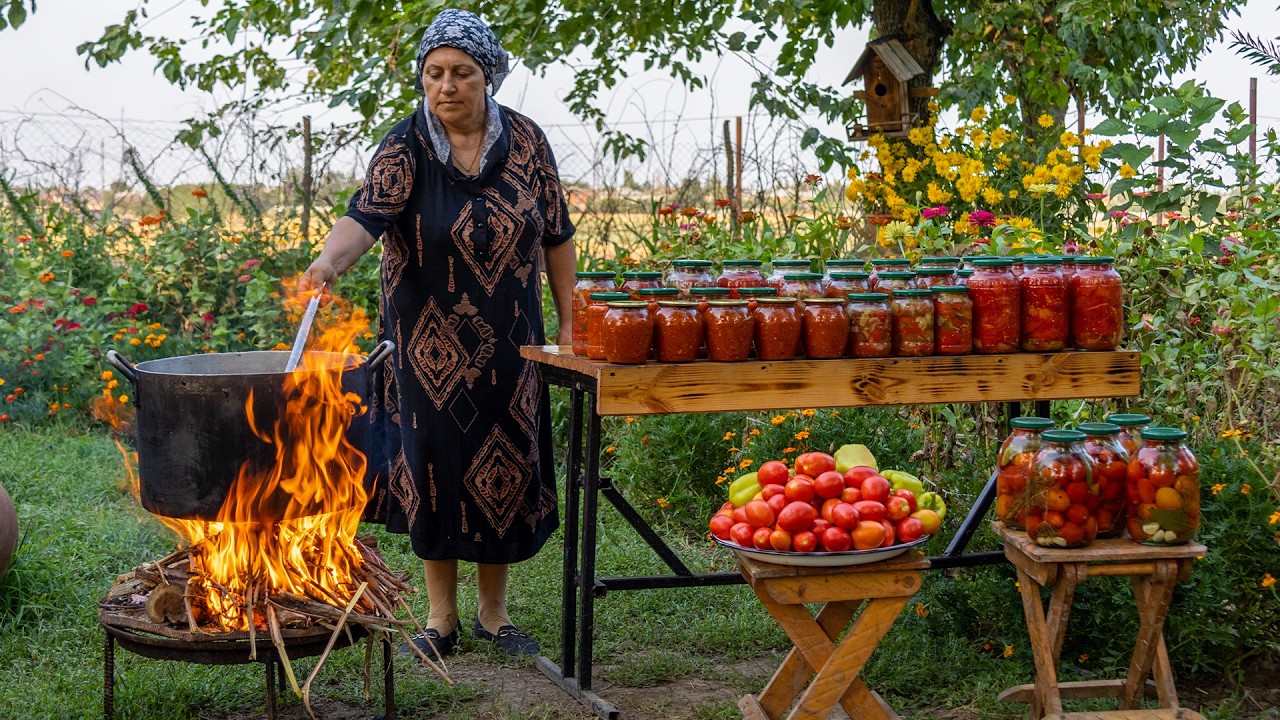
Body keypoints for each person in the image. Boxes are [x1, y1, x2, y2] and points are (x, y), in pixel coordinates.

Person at [299, 8, 576, 660]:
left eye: (462, 72)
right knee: (434, 470)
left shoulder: (529, 144)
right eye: (434, 73)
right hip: (428, 348)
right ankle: (441, 619)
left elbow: (558, 237)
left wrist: (570, 322)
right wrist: (327, 261)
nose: (446, 85)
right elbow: (363, 218)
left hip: (511, 339)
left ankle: (495, 614)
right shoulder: (405, 147)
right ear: (423, 80)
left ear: (489, 77)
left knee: (504, 461)